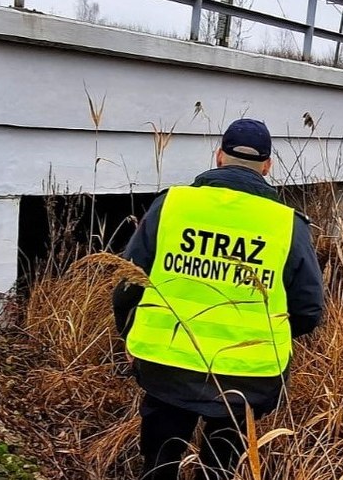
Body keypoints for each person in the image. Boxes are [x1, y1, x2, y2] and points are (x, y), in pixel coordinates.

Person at [113, 118, 325, 480]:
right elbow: (308, 310)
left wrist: (129, 331)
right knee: (220, 469)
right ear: (267, 166)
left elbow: (127, 282)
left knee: (159, 464)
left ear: (219, 157)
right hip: (247, 378)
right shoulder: (287, 224)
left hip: (166, 363)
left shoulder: (173, 204)